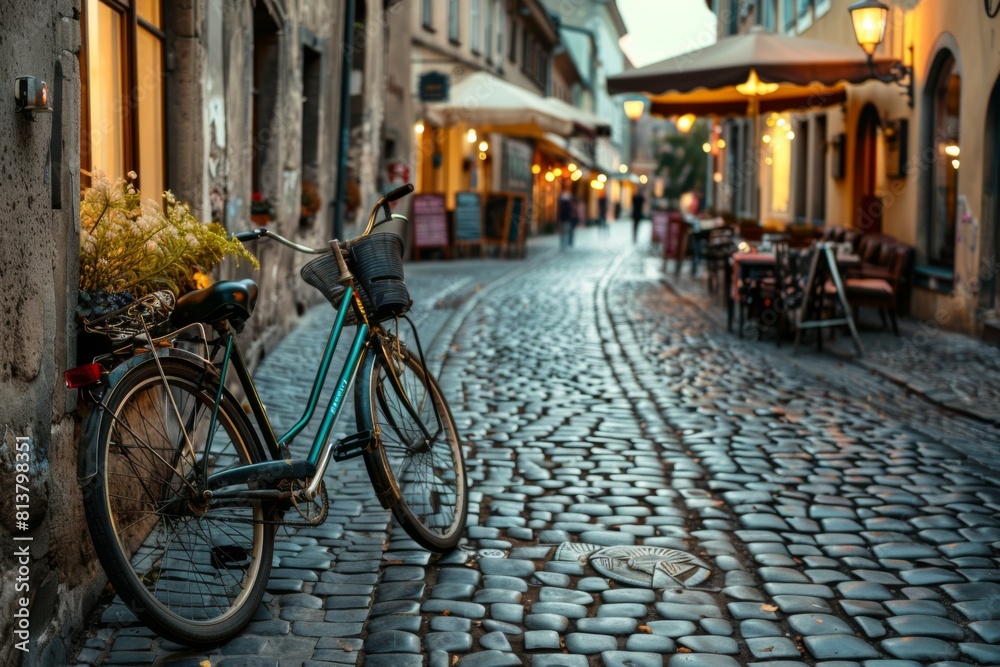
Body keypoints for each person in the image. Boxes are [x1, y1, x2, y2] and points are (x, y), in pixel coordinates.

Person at [558, 183, 578, 249]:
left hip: (564, 218)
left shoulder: (562, 201)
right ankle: (566, 243)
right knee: (566, 231)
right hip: (567, 218)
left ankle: (564, 243)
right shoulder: (569, 201)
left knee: (564, 232)